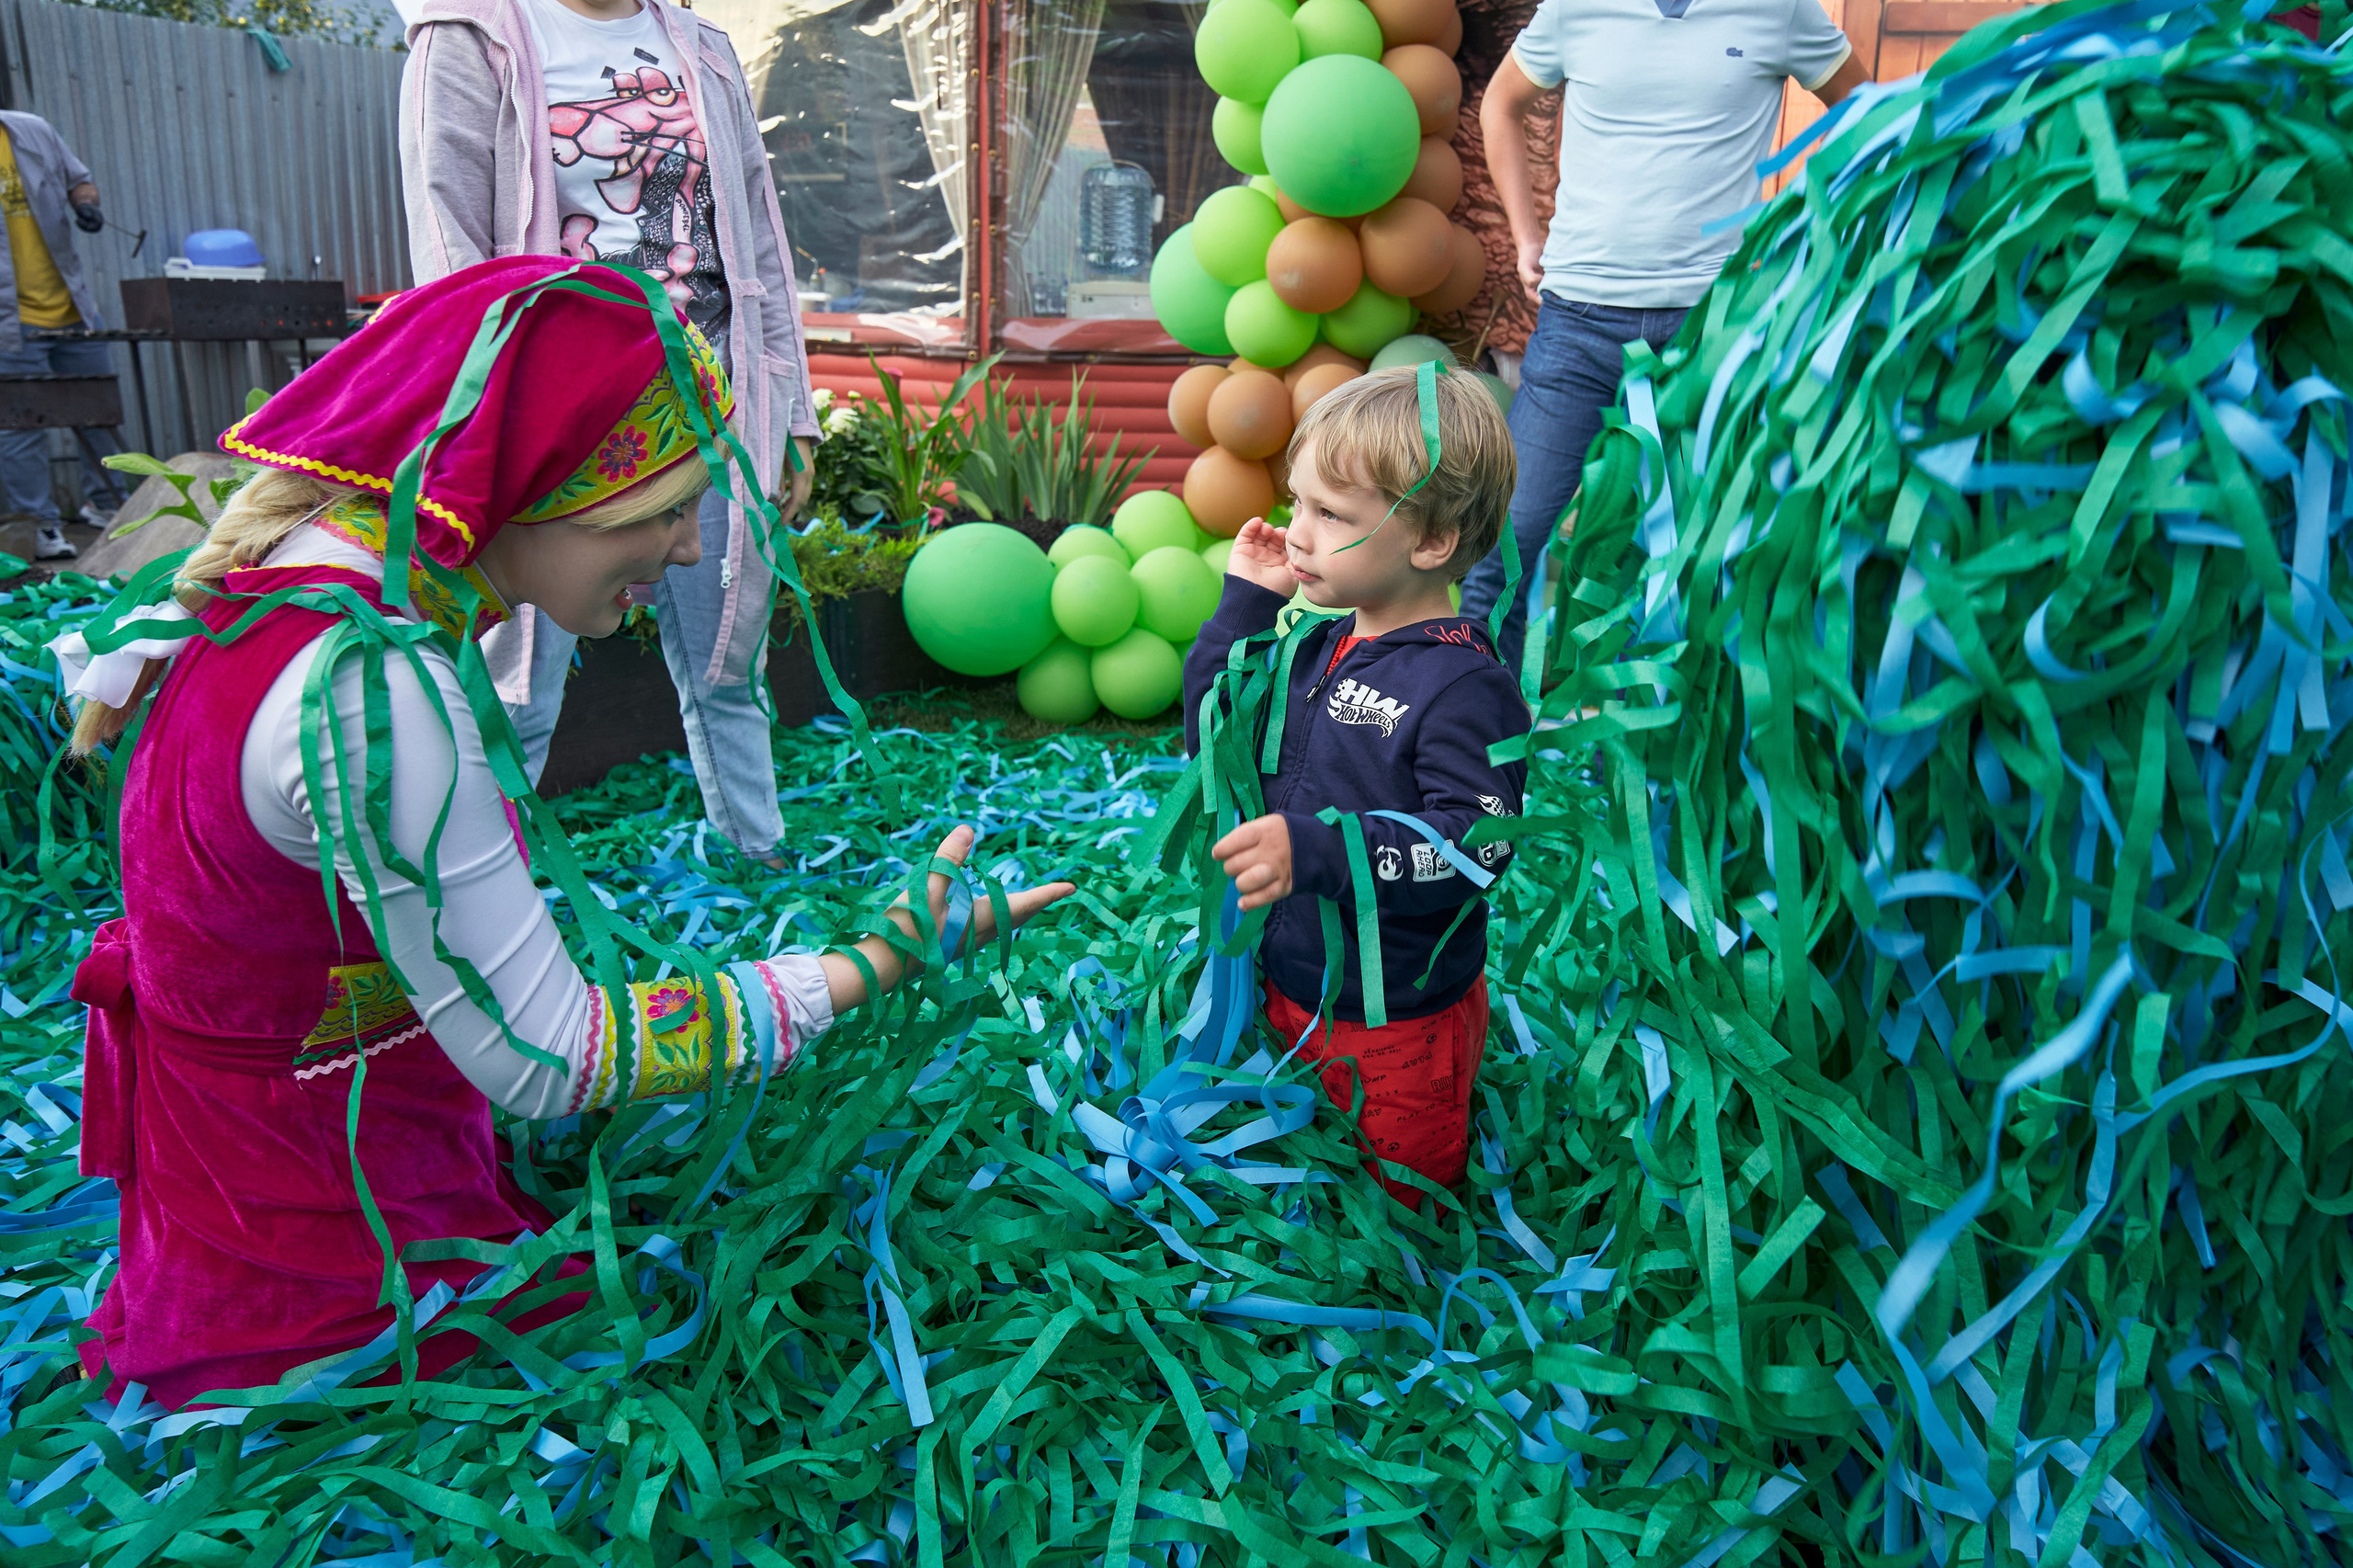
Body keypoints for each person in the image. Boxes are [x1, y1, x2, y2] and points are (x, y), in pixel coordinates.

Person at [50, 257, 1072, 1410]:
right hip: (323, 1265)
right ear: (513, 488)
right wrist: (875, 961)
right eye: (658, 512)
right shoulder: (374, 693)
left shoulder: (300, 582)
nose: (689, 549)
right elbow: (550, 1056)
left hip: (278, 1157)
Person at [399, 0, 818, 862]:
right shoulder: (470, 34)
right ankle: (477, 885)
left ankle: (760, 857)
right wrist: (488, 424)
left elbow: (758, 241)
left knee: (726, 661)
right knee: (519, 678)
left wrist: (795, 412)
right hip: (554, 422)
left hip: (710, 410)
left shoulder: (700, 46)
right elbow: (448, 241)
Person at [1183, 366, 1530, 1210]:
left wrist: (1322, 849)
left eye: (1331, 514)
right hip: (1287, 974)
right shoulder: (1310, 645)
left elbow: (1477, 849)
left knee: (1397, 1193)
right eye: (1297, 501)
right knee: (1307, 1158)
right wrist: (1241, 614)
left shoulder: (1464, 688)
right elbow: (1211, 743)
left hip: (1397, 1015)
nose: (1296, 532)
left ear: (1433, 541)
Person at [1459, 0, 1870, 672]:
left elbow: (1870, 114)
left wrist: (1816, 246)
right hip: (1577, 324)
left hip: (1710, 334)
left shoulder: (1781, 9)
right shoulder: (1576, 6)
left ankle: (1657, 760)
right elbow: (1502, 103)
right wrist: (1525, 233)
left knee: (1697, 551)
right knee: (1505, 537)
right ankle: (1467, 752)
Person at [0, 108, 129, 562]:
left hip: (73, 307)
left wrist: (86, 205)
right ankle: (42, 526)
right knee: (21, 426)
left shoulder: (29, 130)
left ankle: (111, 506)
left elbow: (80, 179)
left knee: (100, 413)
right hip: (8, 321)